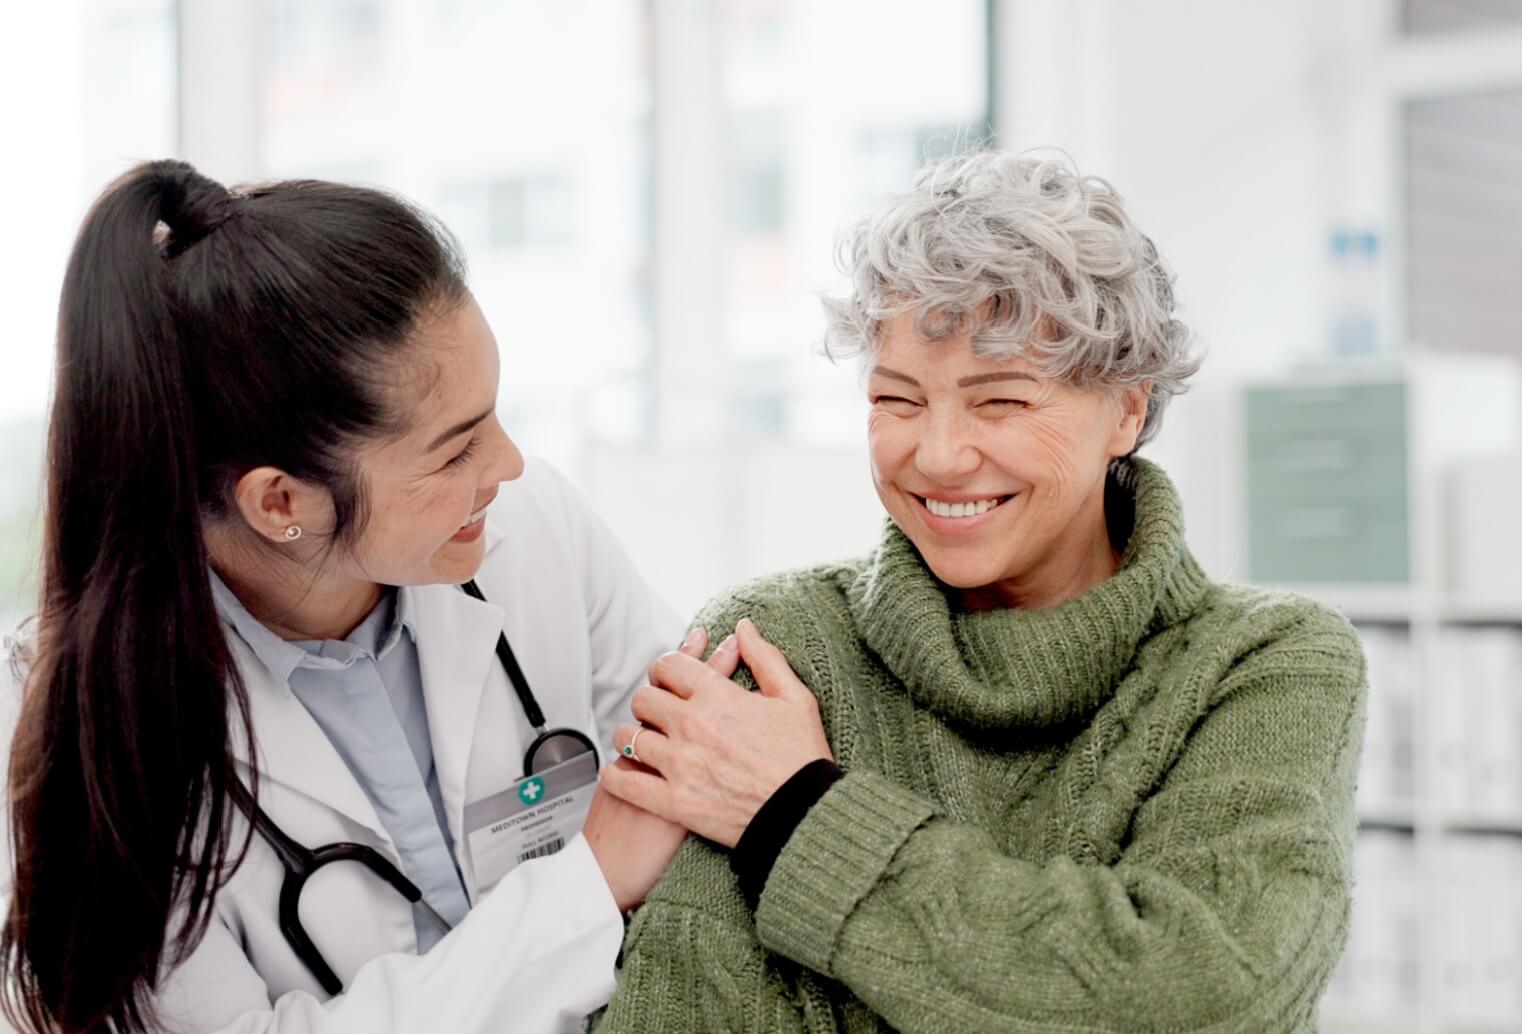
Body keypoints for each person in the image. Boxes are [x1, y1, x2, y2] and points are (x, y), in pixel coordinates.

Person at [594, 150, 1368, 1033]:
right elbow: (687, 1008)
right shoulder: (779, 645)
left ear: (1127, 408)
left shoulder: (1267, 661)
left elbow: (1207, 996)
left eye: (999, 402)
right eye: (898, 399)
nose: (938, 454)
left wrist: (797, 815)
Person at [0, 160, 727, 1034]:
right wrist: (588, 889)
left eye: (495, 417)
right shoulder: (70, 726)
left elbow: (699, 780)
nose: (509, 466)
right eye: (454, 451)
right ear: (281, 504)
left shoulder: (533, 536)